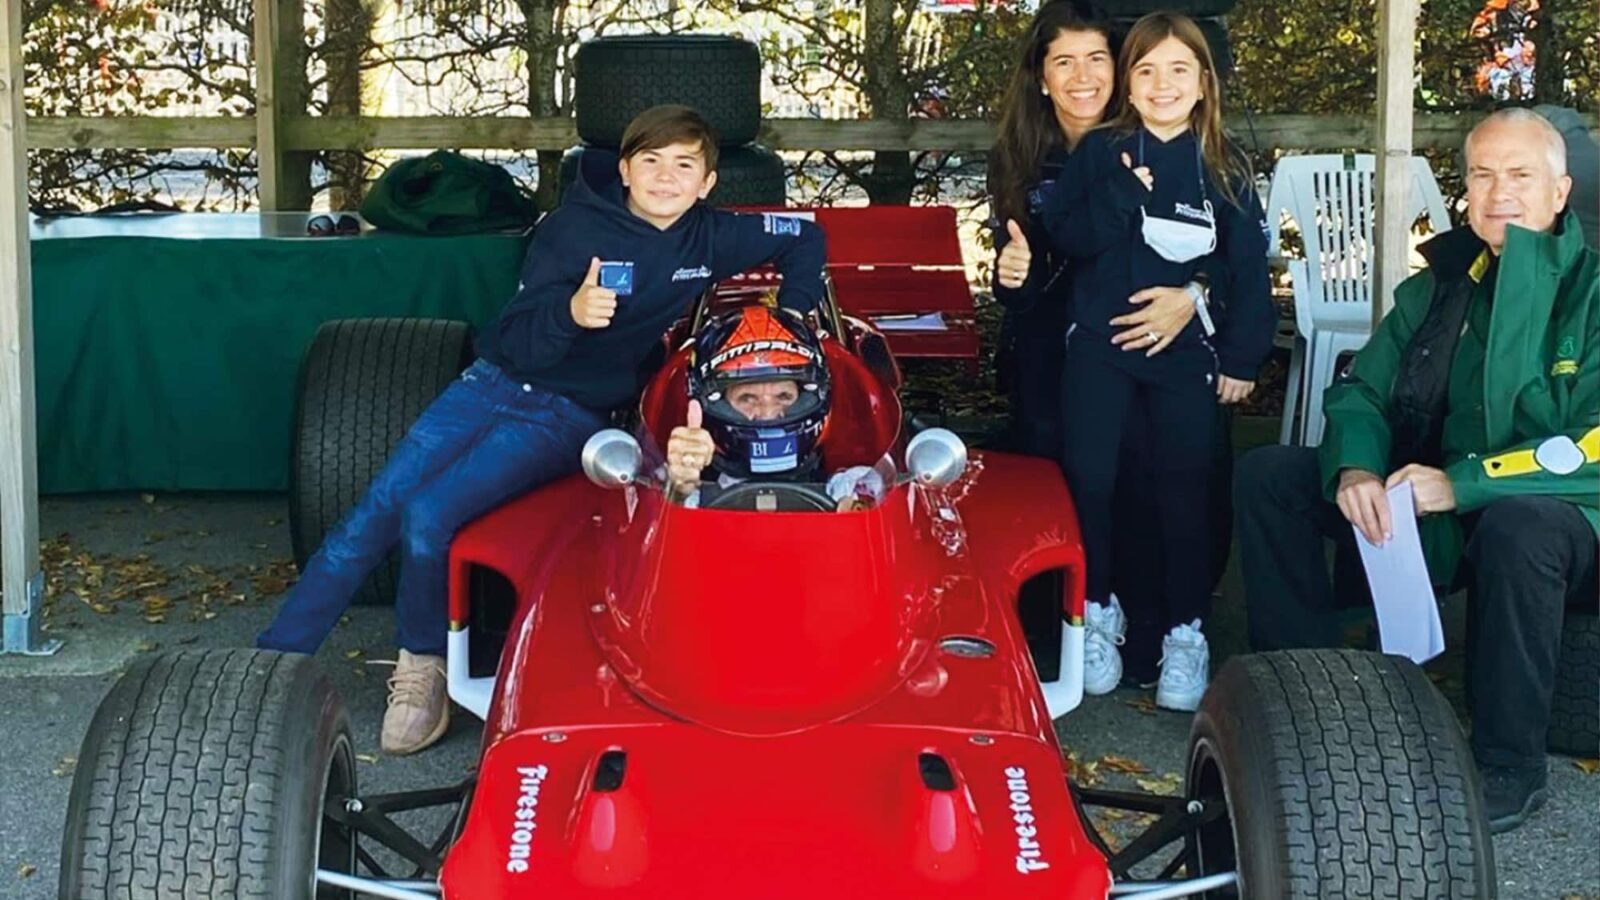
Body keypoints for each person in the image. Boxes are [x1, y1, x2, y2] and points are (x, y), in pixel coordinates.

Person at [256, 105, 827, 755]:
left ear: (707, 183)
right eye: (651, 162)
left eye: (684, 166)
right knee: (374, 510)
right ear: (625, 170)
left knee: (426, 515)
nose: (666, 178)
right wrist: (571, 311)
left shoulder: (713, 237)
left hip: (568, 416)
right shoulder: (571, 230)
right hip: (492, 383)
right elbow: (521, 335)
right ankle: (269, 665)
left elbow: (803, 236)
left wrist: (796, 315)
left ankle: (422, 666)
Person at [1235, 108, 1597, 834]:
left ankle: (1507, 763)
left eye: (1520, 175)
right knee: (1270, 474)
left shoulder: (1590, 290)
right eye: (1483, 175)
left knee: (1521, 528)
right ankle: (1308, 702)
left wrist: (1464, 483)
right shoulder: (1441, 281)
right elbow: (1362, 389)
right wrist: (1356, 471)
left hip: (1561, 519)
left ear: (1560, 192)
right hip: (1430, 507)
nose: (1499, 193)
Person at [986, 2, 1233, 696]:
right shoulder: (1028, 156)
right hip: (1066, 332)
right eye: (1063, 61)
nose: (1081, 75)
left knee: (1177, 458)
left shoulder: (1192, 144)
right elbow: (1026, 271)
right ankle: (1073, 615)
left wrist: (1197, 297)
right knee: (1061, 442)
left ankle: (1169, 624)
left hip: (1163, 328)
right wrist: (1012, 276)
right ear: (1041, 77)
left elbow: (1229, 245)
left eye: (1097, 58)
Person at [1038, 12, 1275, 712]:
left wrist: (1241, 353)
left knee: (1185, 486)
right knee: (1091, 479)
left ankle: (1184, 630)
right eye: (1145, 70)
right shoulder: (1099, 154)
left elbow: (1246, 268)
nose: (1162, 84)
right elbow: (1068, 235)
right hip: (1099, 351)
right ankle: (1098, 614)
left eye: (1178, 70)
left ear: (1203, 83)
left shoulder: (1224, 165)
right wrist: (1121, 194)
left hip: (1186, 356)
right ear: (1128, 84)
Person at [664, 305, 891, 511]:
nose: (768, 413)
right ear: (713, 403)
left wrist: (860, 509)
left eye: (783, 396)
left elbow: (877, 493)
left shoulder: (847, 486)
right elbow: (654, 523)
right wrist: (676, 491)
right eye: (747, 398)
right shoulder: (682, 485)